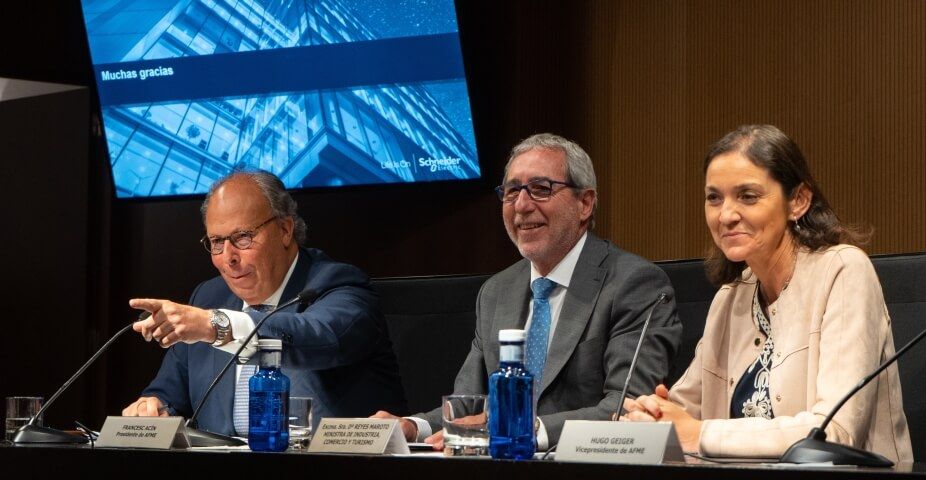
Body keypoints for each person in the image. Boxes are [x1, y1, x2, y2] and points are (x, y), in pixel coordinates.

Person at [622, 125, 913, 463]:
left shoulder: (844, 271)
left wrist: (699, 433)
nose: (726, 215)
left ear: (798, 201)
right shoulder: (730, 298)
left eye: (747, 196)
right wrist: (654, 414)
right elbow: (683, 410)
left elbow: (834, 432)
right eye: (714, 197)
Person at [374, 133, 682, 450]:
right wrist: (413, 427)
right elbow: (473, 410)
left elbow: (628, 408)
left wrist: (524, 431)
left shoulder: (635, 284)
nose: (522, 205)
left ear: (585, 203)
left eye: (540, 189)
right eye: (511, 192)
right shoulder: (496, 291)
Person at [123, 171, 407, 435]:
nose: (228, 258)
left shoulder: (339, 284)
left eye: (243, 237)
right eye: (217, 241)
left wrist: (216, 326)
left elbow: (317, 335)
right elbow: (168, 395)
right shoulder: (209, 297)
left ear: (284, 230)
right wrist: (153, 407)